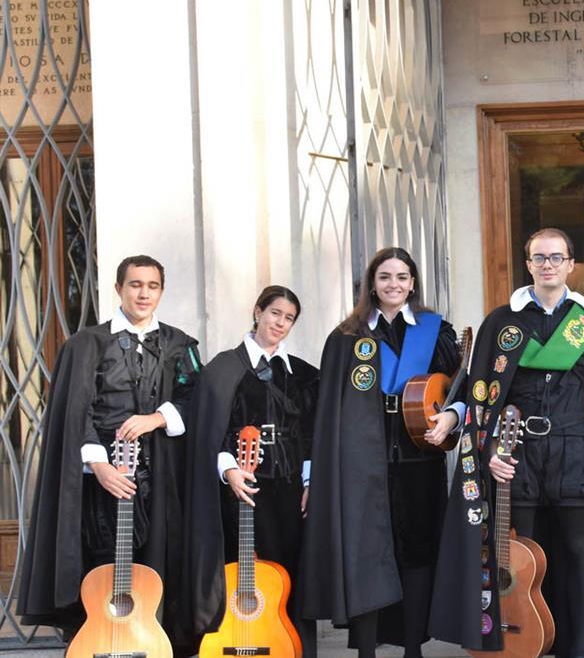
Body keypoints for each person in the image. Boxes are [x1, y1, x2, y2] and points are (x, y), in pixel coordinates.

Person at [431, 227, 584, 658]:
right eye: (539, 258)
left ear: (570, 264)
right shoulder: (502, 319)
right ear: (528, 264)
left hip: (572, 446)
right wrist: (488, 447)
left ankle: (576, 647)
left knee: (575, 549)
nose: (547, 265)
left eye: (556, 257)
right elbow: (481, 387)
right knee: (521, 549)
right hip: (515, 451)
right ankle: (526, 644)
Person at [17, 255, 203, 653]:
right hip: (99, 480)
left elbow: (195, 399)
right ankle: (100, 642)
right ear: (119, 288)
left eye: (152, 286)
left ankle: (151, 645)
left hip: (160, 478)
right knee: (99, 567)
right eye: (135, 284)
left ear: (161, 292)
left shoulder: (179, 345)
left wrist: (155, 418)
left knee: (157, 567)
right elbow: (75, 411)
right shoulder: (88, 344)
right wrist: (98, 465)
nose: (143, 293)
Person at [300, 247, 462, 658]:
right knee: (366, 552)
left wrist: (452, 417)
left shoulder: (434, 330)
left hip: (418, 457)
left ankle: (413, 647)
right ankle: (367, 648)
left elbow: (457, 388)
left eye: (402, 277)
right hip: (361, 463)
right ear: (371, 283)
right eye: (385, 276)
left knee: (417, 550)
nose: (394, 285)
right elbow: (328, 409)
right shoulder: (347, 337)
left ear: (413, 283)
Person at [183, 285, 319, 655]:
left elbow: (311, 434)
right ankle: (237, 642)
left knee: (291, 577)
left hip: (290, 492)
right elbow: (210, 431)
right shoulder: (224, 368)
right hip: (240, 490)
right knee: (240, 574)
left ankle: (290, 648)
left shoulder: (304, 375)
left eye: (289, 318)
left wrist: (310, 482)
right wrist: (229, 471)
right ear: (257, 311)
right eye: (275, 313)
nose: (281, 323)